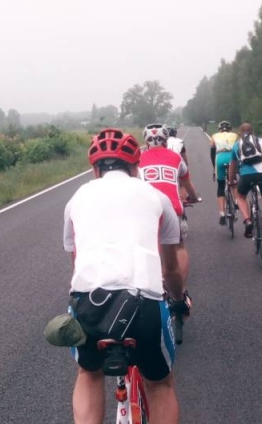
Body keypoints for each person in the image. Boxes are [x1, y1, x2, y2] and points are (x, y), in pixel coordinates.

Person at [63, 128, 184, 424]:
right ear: (135, 166)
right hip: (144, 302)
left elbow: (76, 261)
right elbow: (170, 269)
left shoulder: (77, 198)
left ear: (95, 170)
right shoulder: (156, 196)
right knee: (160, 384)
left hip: (89, 301)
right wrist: (179, 300)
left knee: (89, 373)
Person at [139, 123, 199, 312]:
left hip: (147, 212)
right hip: (173, 209)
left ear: (146, 142)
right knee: (179, 247)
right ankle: (180, 290)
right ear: (166, 140)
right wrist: (193, 197)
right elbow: (187, 183)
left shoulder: (138, 158)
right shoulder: (175, 157)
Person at [228, 122, 262, 239]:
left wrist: (231, 180)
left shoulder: (237, 145)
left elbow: (233, 166)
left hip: (246, 175)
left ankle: (248, 220)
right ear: (253, 131)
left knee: (241, 197)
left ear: (240, 132)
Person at [209, 120, 238, 225]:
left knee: (221, 186)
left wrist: (214, 167)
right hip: (231, 157)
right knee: (233, 182)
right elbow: (238, 149)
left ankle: (222, 213)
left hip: (220, 158)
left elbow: (212, 153)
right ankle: (237, 202)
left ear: (219, 129)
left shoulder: (214, 136)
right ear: (230, 129)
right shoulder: (235, 135)